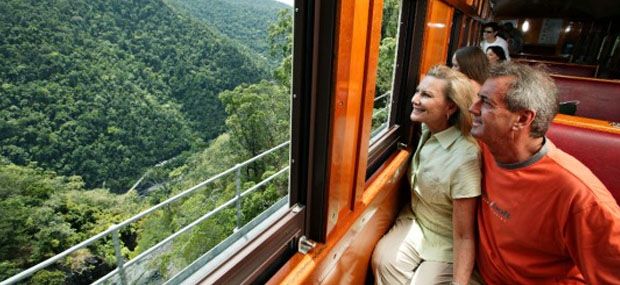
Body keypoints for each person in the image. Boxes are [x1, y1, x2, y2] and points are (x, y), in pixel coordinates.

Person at [468, 62, 620, 284]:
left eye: (486, 103)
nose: (473, 107)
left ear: (522, 119)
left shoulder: (580, 196)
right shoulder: (485, 147)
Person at [372, 65, 481, 285]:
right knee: (384, 261)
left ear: (450, 107)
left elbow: (465, 234)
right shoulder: (428, 130)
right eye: (418, 91)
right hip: (416, 221)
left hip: (446, 239)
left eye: (426, 95)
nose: (415, 99)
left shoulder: (465, 159)